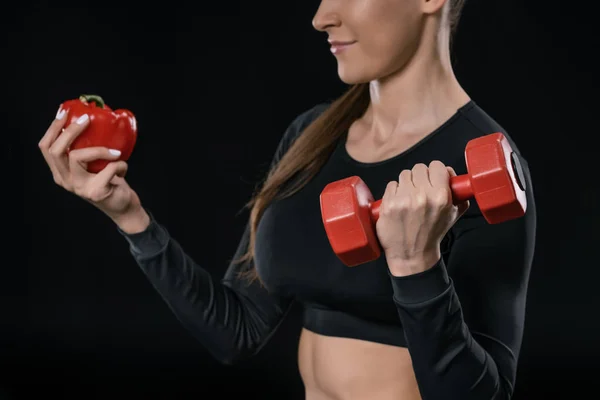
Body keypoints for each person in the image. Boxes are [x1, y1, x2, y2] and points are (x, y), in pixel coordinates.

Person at [38, 0, 537, 399]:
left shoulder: (481, 160)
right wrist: (131, 219)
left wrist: (415, 264)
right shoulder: (312, 135)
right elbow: (237, 331)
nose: (321, 17)